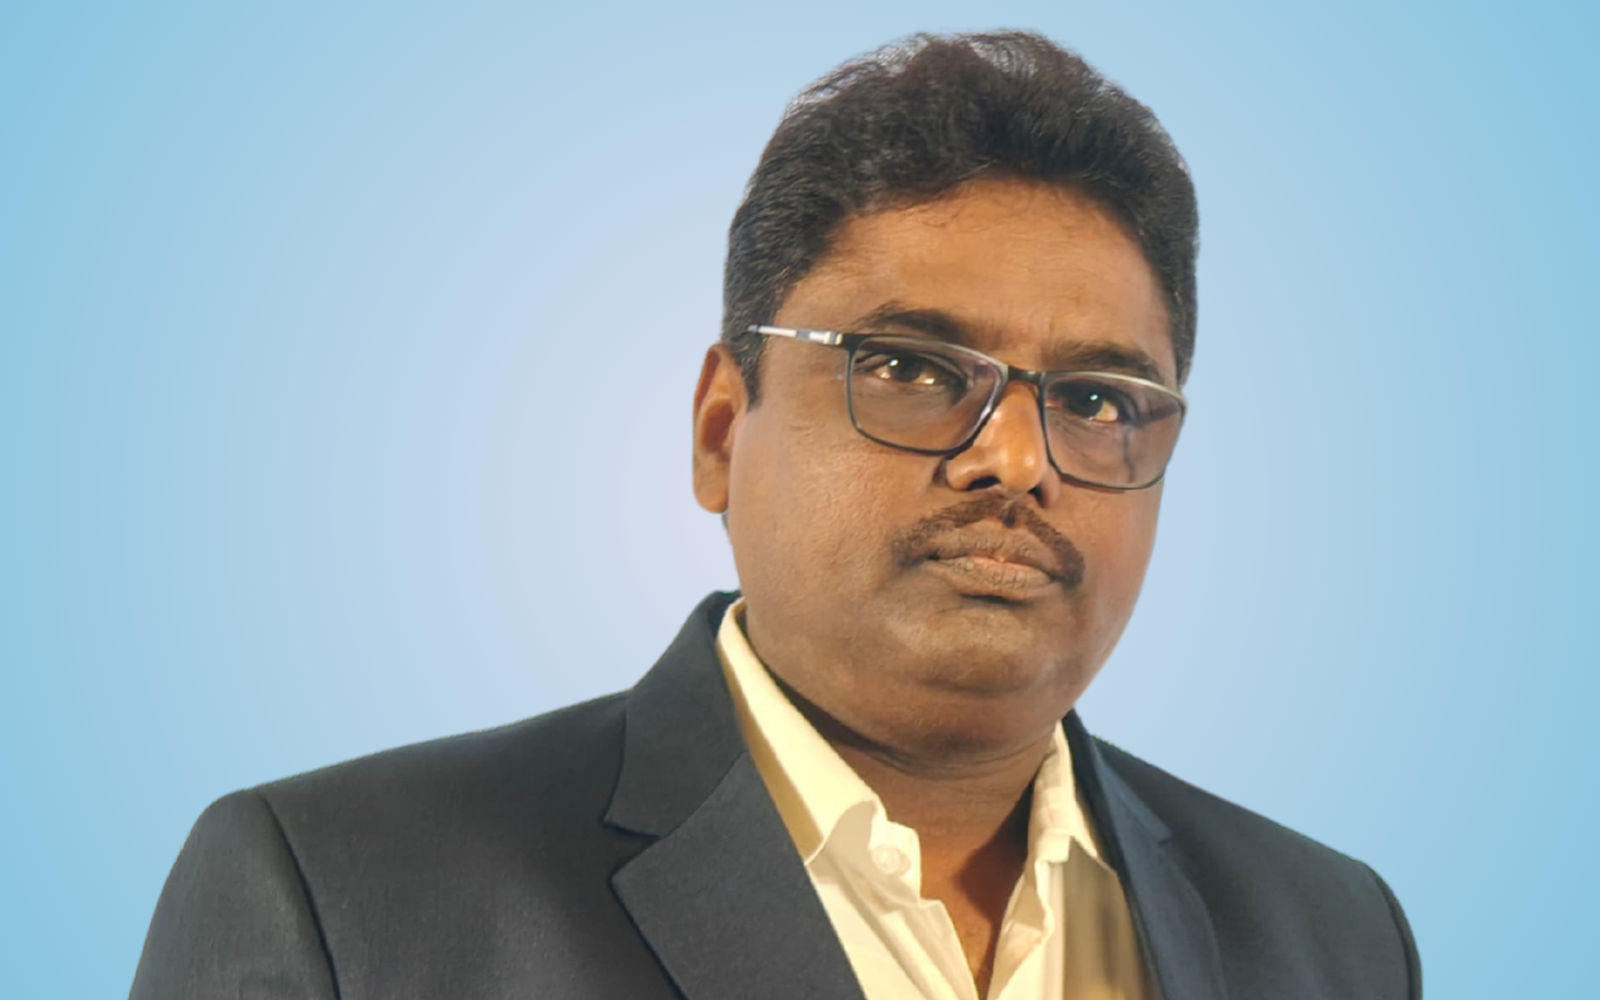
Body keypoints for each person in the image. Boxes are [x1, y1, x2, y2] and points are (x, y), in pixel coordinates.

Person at [131, 31, 1420, 1000]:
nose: (1016, 459)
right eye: (911, 368)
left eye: (1093, 398)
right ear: (719, 430)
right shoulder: (344, 900)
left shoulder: (1329, 933)